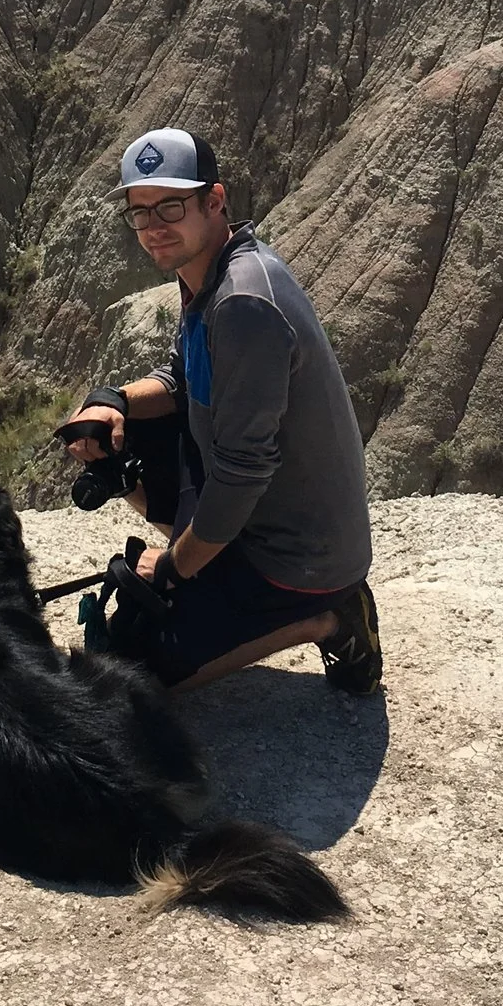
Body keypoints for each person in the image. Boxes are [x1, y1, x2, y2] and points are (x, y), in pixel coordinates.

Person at [63, 127, 382, 695]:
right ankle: (208, 566)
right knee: (126, 433)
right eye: (140, 212)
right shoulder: (209, 274)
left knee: (130, 676)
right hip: (257, 516)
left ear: (214, 201)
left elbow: (241, 472)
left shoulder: (242, 303)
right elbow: (184, 380)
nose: (154, 226)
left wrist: (171, 568)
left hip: (297, 555)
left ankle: (330, 615)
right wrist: (113, 404)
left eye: (170, 205)